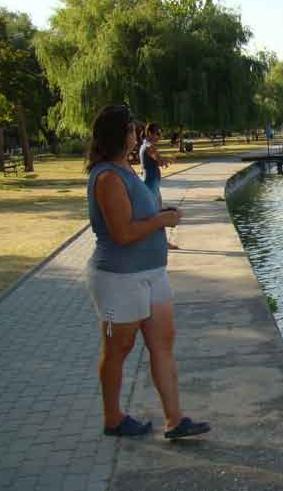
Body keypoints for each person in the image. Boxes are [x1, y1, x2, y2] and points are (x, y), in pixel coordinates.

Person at [85, 104, 210, 439]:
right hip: (117, 280)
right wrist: (162, 221)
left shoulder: (125, 168)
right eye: (130, 129)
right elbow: (122, 233)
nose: (136, 134)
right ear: (118, 135)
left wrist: (159, 211)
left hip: (153, 274)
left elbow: (141, 211)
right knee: (117, 348)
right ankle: (113, 419)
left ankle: (175, 419)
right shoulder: (108, 177)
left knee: (163, 343)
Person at [139, 122, 179, 249]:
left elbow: (156, 162)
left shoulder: (146, 145)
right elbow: (160, 159)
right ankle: (158, 242)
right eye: (157, 133)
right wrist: (170, 159)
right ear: (149, 133)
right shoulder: (149, 146)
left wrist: (163, 161)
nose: (160, 136)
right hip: (151, 183)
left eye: (160, 133)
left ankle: (160, 241)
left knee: (156, 212)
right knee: (155, 213)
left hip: (152, 182)